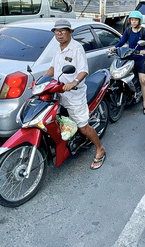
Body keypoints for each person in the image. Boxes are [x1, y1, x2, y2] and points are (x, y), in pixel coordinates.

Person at [45, 19, 106, 170]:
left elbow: (83, 70)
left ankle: (100, 149)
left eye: (63, 31)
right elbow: (53, 69)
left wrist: (74, 82)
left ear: (70, 32)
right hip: (58, 92)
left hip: (74, 94)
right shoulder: (58, 48)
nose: (59, 34)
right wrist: (42, 82)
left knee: (82, 127)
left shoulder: (76, 48)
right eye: (56, 31)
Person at [110, 10, 145, 114]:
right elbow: (122, 42)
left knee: (142, 80)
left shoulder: (144, 31)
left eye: (135, 20)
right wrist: (114, 47)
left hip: (139, 57)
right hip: (129, 56)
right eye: (132, 20)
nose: (133, 22)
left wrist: (144, 51)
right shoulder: (128, 31)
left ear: (139, 21)